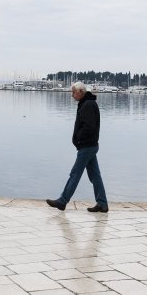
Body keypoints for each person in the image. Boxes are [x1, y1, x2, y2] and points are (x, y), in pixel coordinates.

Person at [46, 82, 109, 212]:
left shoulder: (88, 105)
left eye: (73, 92)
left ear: (80, 91)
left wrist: (79, 139)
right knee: (95, 176)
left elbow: (89, 127)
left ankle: (62, 201)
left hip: (86, 146)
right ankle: (102, 203)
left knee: (75, 174)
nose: (72, 95)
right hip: (90, 145)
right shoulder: (87, 103)